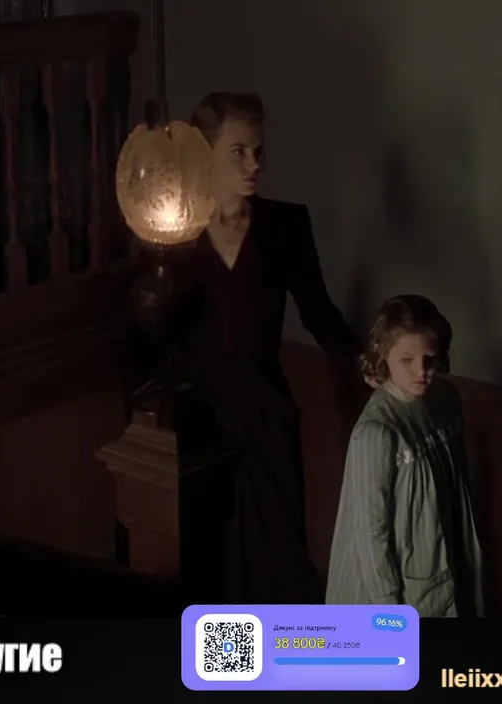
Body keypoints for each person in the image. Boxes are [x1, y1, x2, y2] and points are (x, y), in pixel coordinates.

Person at [186, 92, 360, 604]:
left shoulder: (285, 226)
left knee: (279, 557)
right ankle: (221, 655)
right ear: (204, 152)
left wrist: (370, 363)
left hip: (267, 413)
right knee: (210, 558)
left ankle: (280, 655)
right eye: (238, 151)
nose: (255, 165)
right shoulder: (174, 230)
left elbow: (319, 312)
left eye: (259, 151)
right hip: (199, 421)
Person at [325, 295, 485, 617]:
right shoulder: (377, 432)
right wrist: (389, 608)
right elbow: (371, 532)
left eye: (429, 358)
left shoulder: (447, 401)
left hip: (445, 561)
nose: (421, 371)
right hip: (395, 585)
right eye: (407, 360)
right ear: (384, 356)